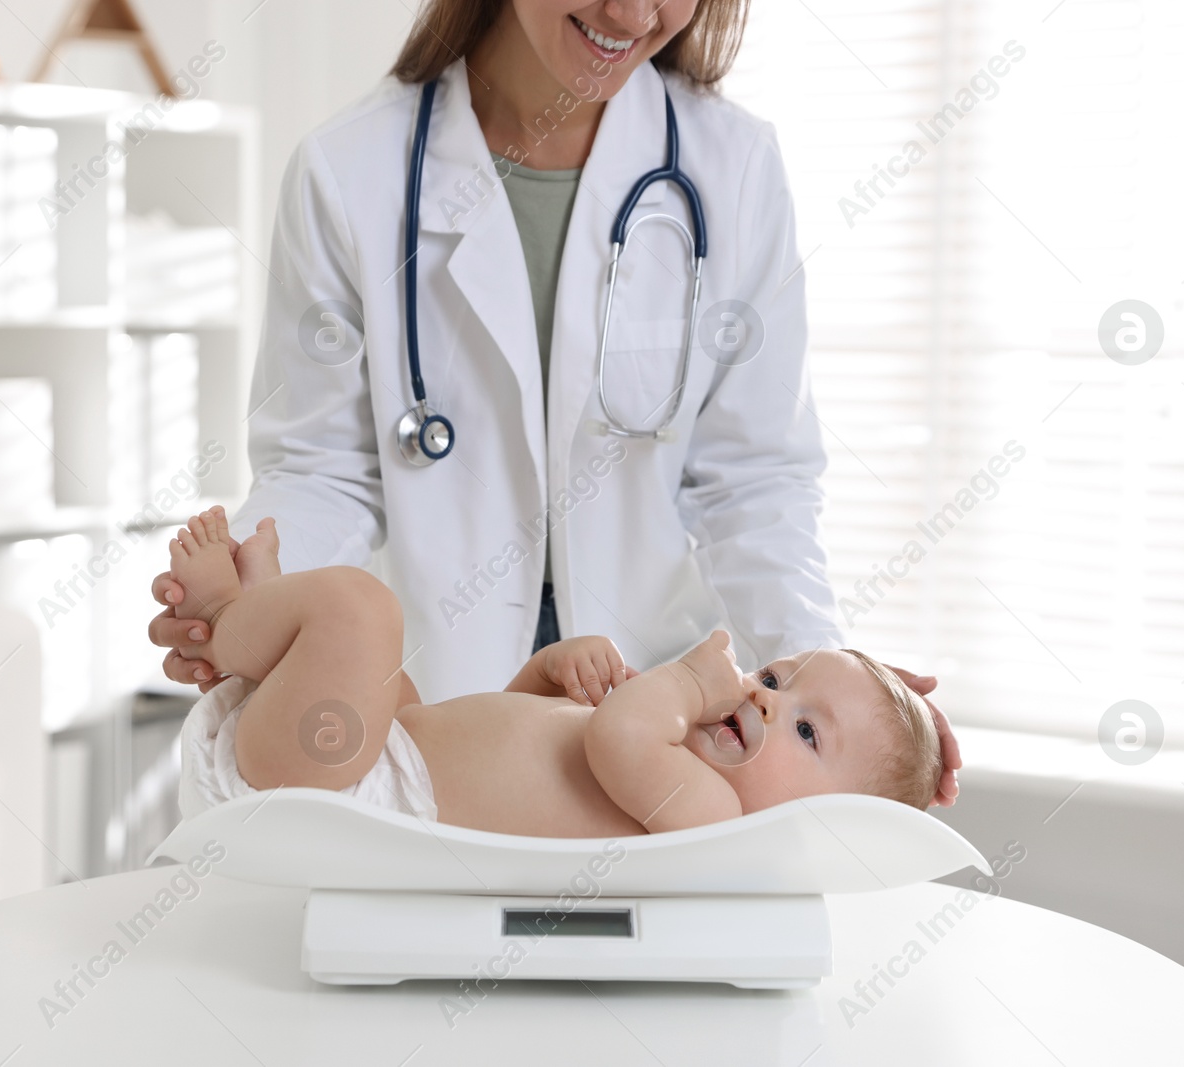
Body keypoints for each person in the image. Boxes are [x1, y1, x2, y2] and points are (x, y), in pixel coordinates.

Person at [149, 0, 961, 805]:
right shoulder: (352, 171)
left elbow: (754, 487)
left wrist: (838, 696)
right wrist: (257, 614)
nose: (634, 12)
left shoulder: (735, 167)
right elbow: (324, 470)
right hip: (437, 707)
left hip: (673, 728)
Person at [172, 507, 940, 834]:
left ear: (824, 826)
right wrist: (544, 676)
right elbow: (501, 747)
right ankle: (261, 616)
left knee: (364, 611)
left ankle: (228, 619)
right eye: (774, 679)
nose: (768, 700)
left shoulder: (716, 820)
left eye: (806, 728)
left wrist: (683, 681)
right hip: (378, 757)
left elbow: (620, 739)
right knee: (388, 669)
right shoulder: (677, 769)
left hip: (342, 791)